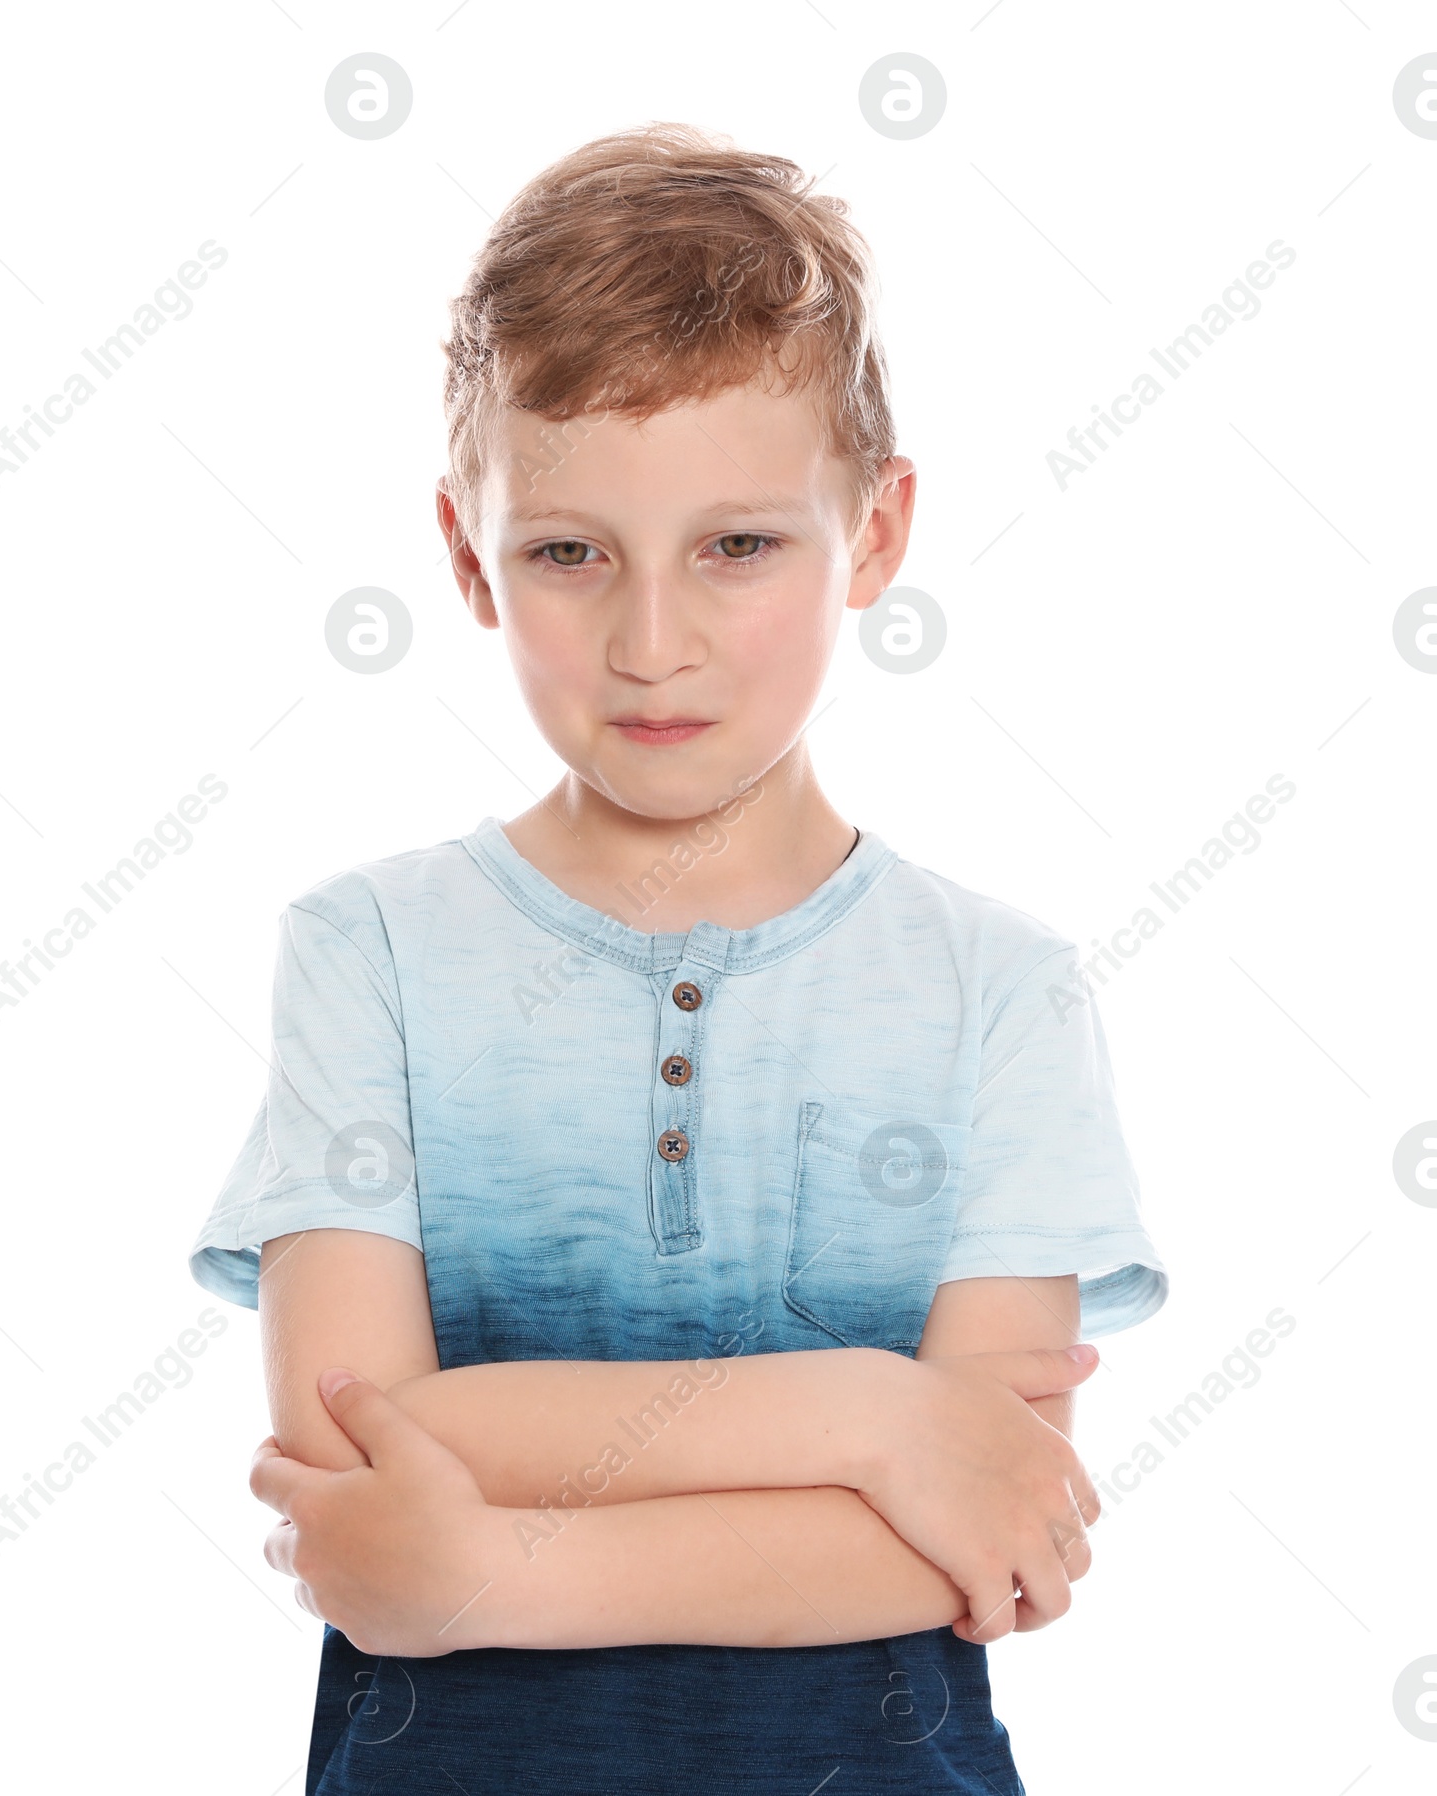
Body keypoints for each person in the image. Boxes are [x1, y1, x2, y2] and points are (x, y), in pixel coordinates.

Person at [189, 123, 1166, 1794]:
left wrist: (484, 1571)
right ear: (463, 553)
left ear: (873, 533)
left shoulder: (999, 991)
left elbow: (989, 1540)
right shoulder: (371, 953)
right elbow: (359, 1448)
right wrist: (872, 1419)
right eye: (570, 553)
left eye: (739, 545)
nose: (653, 642)